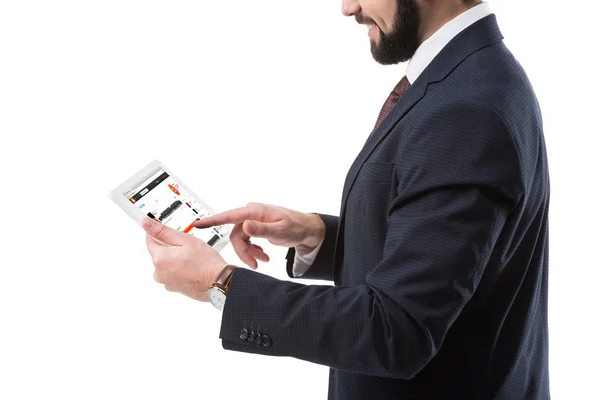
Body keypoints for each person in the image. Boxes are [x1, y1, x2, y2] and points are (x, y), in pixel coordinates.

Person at [140, 0, 550, 398]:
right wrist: (319, 236)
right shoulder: (477, 72)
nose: (348, 7)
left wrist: (220, 283)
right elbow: (456, 265)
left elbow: (396, 332)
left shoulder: (465, 109)